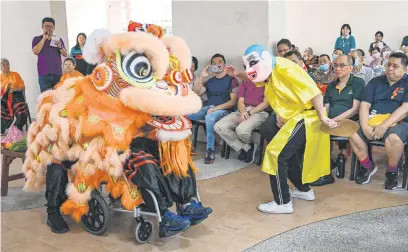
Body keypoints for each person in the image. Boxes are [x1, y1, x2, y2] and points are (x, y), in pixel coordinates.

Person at [23, 26, 212, 236]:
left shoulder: (142, 90)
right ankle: (53, 212)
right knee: (57, 164)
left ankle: (186, 203)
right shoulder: (87, 89)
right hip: (86, 146)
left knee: (172, 155)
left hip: (124, 143)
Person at [225, 45, 336, 214]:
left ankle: (282, 202)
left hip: (306, 117)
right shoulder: (271, 72)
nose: (249, 68)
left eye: (253, 63)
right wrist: (237, 74)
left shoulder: (284, 67)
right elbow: (255, 78)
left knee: (275, 154)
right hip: (296, 118)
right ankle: (304, 190)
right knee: (285, 154)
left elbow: (314, 92)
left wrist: (322, 116)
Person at [348, 52, 408, 190]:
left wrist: (383, 126)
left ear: (405, 69)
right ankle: (368, 166)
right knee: (352, 131)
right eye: (388, 65)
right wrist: (364, 127)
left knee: (393, 138)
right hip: (372, 119)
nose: (390, 69)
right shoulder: (375, 82)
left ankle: (392, 171)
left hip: (398, 123)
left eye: (395, 66)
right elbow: (364, 105)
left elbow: (405, 108)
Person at [311, 55, 365, 186]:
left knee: (349, 132)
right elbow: (327, 107)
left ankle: (366, 165)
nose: (338, 68)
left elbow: (354, 109)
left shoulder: (358, 82)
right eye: (335, 65)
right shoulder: (331, 85)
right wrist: (325, 119)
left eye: (342, 65)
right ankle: (324, 168)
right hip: (331, 120)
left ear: (351, 67)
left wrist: (333, 120)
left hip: (349, 120)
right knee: (313, 130)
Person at [188, 53, 239, 164]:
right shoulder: (210, 81)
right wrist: (202, 76)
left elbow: (233, 102)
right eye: (214, 63)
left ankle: (210, 150)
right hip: (210, 108)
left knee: (209, 117)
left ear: (224, 64)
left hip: (224, 110)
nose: (217, 64)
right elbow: (196, 93)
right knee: (185, 114)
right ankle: (185, 145)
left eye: (220, 62)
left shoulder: (232, 80)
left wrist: (216, 108)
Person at [214, 79, 269, 163]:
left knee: (241, 130)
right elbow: (240, 101)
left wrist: (248, 113)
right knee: (219, 126)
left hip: (259, 112)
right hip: (242, 110)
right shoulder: (245, 81)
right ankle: (246, 147)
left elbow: (265, 104)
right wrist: (243, 113)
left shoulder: (267, 82)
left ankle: (246, 147)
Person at [32, 17, 68, 92]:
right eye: (46, 26)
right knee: (46, 98)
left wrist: (60, 46)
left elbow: (65, 54)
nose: (48, 28)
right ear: (42, 27)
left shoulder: (58, 40)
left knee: (58, 97)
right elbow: (35, 51)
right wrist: (44, 38)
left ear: (54, 28)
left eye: (51, 27)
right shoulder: (37, 39)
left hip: (57, 73)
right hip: (43, 74)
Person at [1, 58, 28, 134]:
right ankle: (2, 128)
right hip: (5, 100)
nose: (6, 66)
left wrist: (15, 89)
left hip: (17, 97)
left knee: (20, 109)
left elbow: (22, 87)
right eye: (3, 64)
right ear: (0, 67)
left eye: (7, 64)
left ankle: (17, 127)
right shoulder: (0, 77)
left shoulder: (15, 74)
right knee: (1, 108)